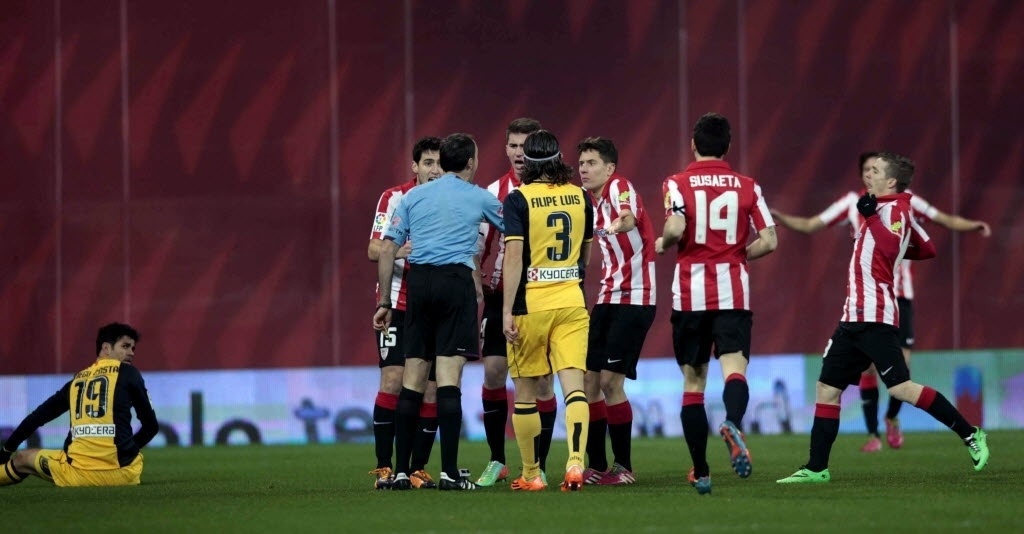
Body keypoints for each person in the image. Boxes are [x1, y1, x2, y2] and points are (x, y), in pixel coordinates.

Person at [777, 152, 990, 484]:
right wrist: (884, 228)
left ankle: (971, 433)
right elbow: (928, 247)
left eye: (875, 171)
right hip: (853, 317)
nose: (868, 176)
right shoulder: (887, 208)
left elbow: (891, 248)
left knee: (901, 388)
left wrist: (872, 219)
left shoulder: (894, 209)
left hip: (876, 316)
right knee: (827, 388)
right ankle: (817, 468)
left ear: (891, 181)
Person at [655, 112, 778, 495]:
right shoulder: (748, 186)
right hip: (732, 293)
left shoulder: (675, 183)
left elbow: (675, 228)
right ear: (728, 147)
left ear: (694, 144)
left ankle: (701, 470)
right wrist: (738, 255)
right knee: (734, 369)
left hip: (690, 295)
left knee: (693, 384)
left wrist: (662, 242)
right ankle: (733, 422)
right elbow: (771, 240)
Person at [372, 132, 502, 491]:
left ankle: (399, 472)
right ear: (471, 163)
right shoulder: (480, 197)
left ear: (442, 163)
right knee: (448, 380)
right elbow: (514, 230)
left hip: (420, 285)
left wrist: (385, 302)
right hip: (456, 283)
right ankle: (448, 472)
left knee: (413, 380)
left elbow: (386, 249)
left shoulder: (412, 196)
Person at [501, 130, 594, 492]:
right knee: (575, 390)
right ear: (558, 160)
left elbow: (512, 258)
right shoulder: (581, 197)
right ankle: (575, 463)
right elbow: (586, 254)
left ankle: (532, 473)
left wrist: (506, 310)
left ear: (529, 162)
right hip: (571, 301)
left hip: (530, 305)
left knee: (525, 393)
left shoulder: (518, 199)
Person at [476, 117, 558, 487]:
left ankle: (538, 462)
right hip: (501, 295)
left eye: (525, 145)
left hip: (544, 293)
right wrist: (477, 283)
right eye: (512, 145)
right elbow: (479, 245)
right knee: (494, 371)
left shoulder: (557, 190)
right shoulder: (494, 191)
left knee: (542, 382)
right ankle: (498, 460)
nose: (518, 152)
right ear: (506, 148)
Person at [576, 137, 657, 486]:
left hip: (636, 298)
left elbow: (628, 216)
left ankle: (624, 467)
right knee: (589, 381)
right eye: (581, 162)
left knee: (610, 382)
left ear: (609, 168)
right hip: (608, 298)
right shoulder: (587, 204)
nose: (583, 168)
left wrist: (618, 224)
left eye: (591, 162)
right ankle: (597, 465)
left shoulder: (620, 186)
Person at [366, 137, 442, 490]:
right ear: (415, 167)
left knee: (430, 390)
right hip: (397, 304)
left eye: (440, 163)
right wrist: (400, 249)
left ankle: (416, 468)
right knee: (393, 382)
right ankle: (384, 466)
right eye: (427, 162)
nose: (434, 170)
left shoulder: (451, 201)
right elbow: (373, 248)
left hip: (435, 307)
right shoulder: (394, 197)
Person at [0, 323, 158, 487]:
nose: (131, 353)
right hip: (124, 475)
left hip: (77, 475)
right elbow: (151, 427)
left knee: (22, 458)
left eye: (133, 348)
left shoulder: (77, 380)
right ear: (106, 348)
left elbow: (37, 417)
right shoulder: (130, 374)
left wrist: (6, 450)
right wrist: (127, 450)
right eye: (125, 346)